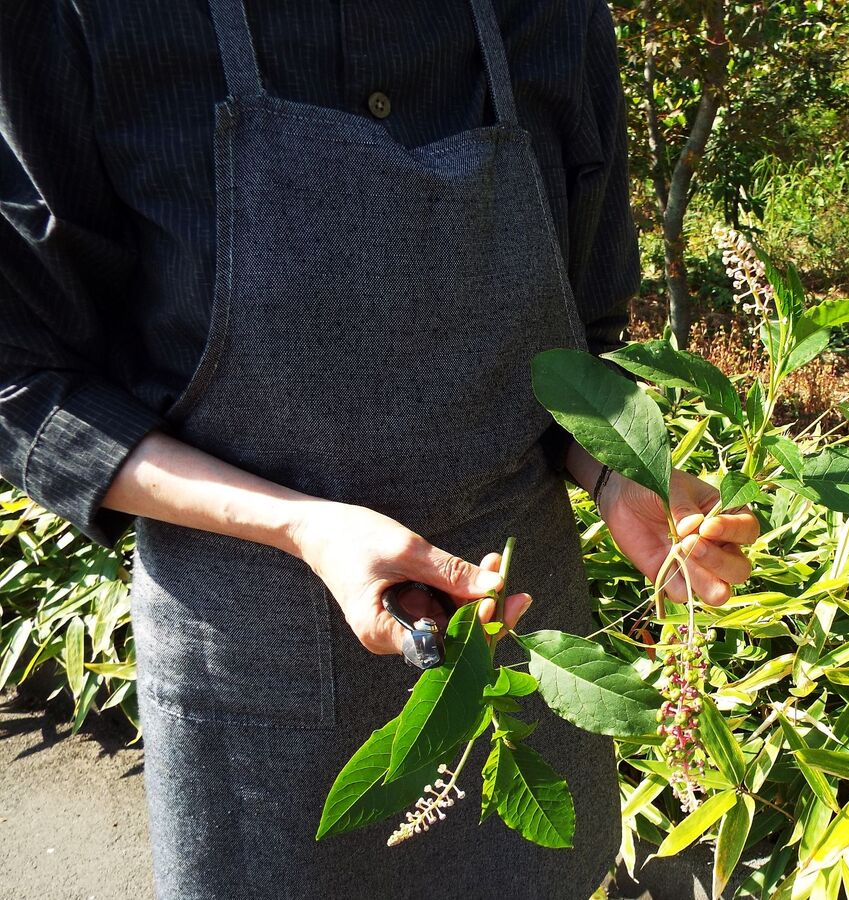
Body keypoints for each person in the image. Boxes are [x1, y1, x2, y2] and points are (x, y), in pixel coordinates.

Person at [0, 1, 758, 897]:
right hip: (260, 700)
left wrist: (616, 473)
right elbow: (24, 382)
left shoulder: (554, 16)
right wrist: (301, 525)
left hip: (528, 652)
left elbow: (573, 344)